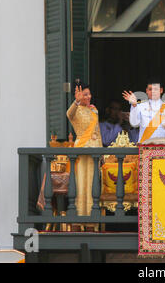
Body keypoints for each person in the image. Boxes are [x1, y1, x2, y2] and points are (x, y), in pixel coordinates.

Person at [66, 83, 102, 230]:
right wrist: (76, 101)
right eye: (85, 94)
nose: (88, 96)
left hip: (94, 151)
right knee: (80, 185)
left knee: (92, 185)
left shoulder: (94, 110)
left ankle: (91, 222)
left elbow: (98, 132)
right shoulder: (76, 111)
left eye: (89, 94)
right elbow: (68, 114)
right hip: (81, 150)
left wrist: (102, 152)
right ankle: (78, 220)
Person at [122, 78, 165, 143]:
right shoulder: (140, 106)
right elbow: (134, 123)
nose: (153, 91)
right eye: (150, 89)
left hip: (164, 147)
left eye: (155, 89)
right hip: (145, 147)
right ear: (146, 91)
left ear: (161, 90)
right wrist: (134, 105)